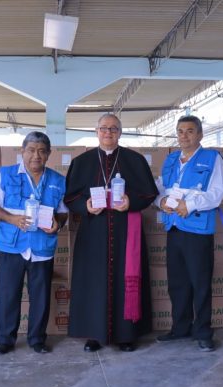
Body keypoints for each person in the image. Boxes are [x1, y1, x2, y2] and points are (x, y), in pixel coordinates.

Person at [64, 113, 159, 352]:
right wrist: (85, 206)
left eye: (114, 128)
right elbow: (70, 197)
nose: (108, 132)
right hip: (93, 233)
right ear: (96, 132)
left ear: (120, 133)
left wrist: (130, 202)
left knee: (125, 280)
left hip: (126, 231)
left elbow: (149, 194)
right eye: (104, 128)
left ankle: (127, 334)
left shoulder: (135, 160)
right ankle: (94, 334)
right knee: (93, 282)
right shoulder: (82, 161)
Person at [0, 131, 68, 354]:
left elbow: (63, 212)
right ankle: (5, 340)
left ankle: (37, 339)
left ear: (49, 154)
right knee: (8, 295)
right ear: (22, 151)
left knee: (40, 296)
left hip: (42, 246)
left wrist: (58, 223)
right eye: (31, 150)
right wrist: (12, 219)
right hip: (11, 245)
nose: (36, 156)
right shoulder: (6, 174)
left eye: (41, 151)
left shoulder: (58, 180)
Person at [155, 115, 223, 352]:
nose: (184, 136)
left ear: (200, 134)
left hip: (197, 229)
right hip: (174, 227)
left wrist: (191, 204)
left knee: (200, 283)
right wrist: (161, 201)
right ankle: (180, 327)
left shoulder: (212, 158)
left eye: (190, 131)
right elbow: (160, 188)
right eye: (180, 131)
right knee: (177, 282)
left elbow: (217, 193)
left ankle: (203, 332)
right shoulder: (171, 159)